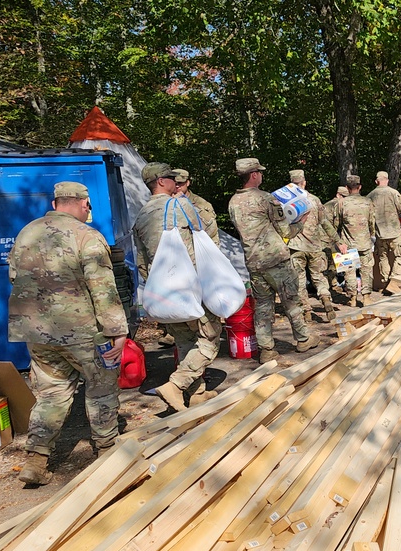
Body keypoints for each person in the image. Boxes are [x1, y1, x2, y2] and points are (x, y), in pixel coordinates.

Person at [8, 181, 128, 485]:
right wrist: (117, 330)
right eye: (89, 205)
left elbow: (13, 275)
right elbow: (103, 288)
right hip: (82, 333)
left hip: (36, 331)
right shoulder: (86, 236)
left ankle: (36, 460)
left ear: (55, 202)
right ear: (83, 203)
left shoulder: (27, 232)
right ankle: (108, 452)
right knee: (101, 387)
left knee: (51, 392)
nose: (89, 209)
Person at [133, 162, 221, 412]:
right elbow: (203, 245)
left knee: (185, 340)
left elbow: (141, 262)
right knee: (210, 338)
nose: (175, 181)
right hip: (191, 287)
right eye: (171, 177)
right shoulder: (180, 205)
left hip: (163, 291)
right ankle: (176, 385)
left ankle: (197, 394)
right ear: (161, 181)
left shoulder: (141, 215)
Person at [228, 158, 319, 362]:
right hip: (276, 259)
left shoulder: (233, 202)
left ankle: (266, 349)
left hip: (253, 261)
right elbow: (285, 230)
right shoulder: (266, 199)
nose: (261, 175)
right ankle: (303, 339)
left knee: (262, 305)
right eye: (259, 172)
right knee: (291, 300)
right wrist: (301, 222)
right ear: (253, 175)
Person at [286, 169, 347, 321]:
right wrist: (338, 241)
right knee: (319, 276)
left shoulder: (286, 202)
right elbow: (325, 223)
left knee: (299, 280)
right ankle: (326, 298)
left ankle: (306, 311)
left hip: (295, 247)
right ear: (304, 183)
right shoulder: (314, 200)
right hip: (315, 246)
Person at [367, 171, 401, 293]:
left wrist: (371, 232)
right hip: (394, 232)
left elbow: (367, 216)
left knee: (382, 257)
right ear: (387, 180)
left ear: (376, 181)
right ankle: (394, 281)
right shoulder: (394, 193)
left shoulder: (369, 196)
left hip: (379, 234)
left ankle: (385, 282)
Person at [334, 176, 377, 306]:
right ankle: (367, 297)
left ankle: (352, 298)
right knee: (367, 269)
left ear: (347, 188)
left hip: (347, 243)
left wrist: (338, 241)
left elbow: (337, 224)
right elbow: (371, 222)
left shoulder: (341, 203)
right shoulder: (368, 202)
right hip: (365, 242)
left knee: (349, 271)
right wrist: (372, 236)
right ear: (360, 187)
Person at [173, 168, 217, 237]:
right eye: (174, 183)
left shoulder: (201, 204)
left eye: (180, 183)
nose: (177, 186)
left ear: (187, 183)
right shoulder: (168, 202)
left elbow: (211, 229)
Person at [323, 186, 350, 292]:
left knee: (330, 262)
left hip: (328, 236)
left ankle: (332, 284)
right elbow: (336, 224)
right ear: (338, 195)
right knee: (332, 262)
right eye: (343, 197)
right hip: (329, 237)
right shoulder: (335, 205)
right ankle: (332, 285)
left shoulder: (328, 205)